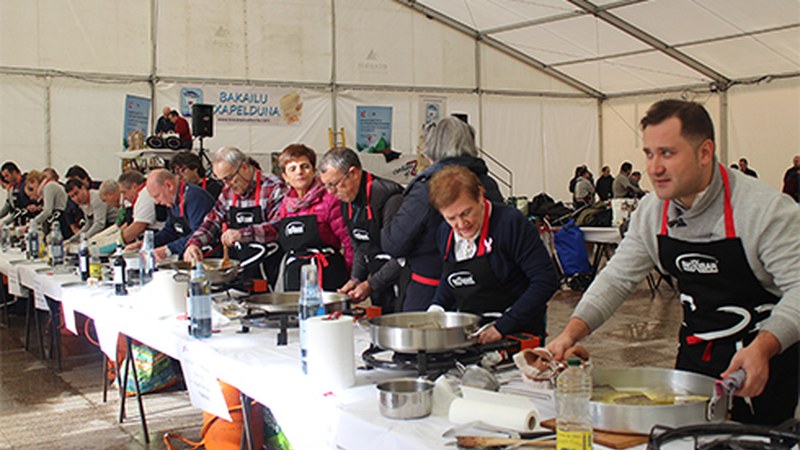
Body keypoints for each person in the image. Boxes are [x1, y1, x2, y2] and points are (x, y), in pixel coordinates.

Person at [547, 99, 800, 427]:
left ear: (705, 152)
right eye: (649, 153)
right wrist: (571, 333)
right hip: (695, 366)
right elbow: (616, 279)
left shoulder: (764, 212)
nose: (654, 168)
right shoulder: (653, 212)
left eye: (667, 153)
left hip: (766, 366)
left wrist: (765, 346)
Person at [382, 117, 503, 311]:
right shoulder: (488, 184)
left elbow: (394, 243)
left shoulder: (426, 188)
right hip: (482, 293)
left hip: (429, 293)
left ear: (433, 147)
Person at [426, 166, 557, 343]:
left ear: (480, 195)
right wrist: (437, 308)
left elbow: (546, 280)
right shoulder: (445, 233)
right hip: (473, 332)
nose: (461, 224)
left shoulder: (510, 224)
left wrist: (503, 326)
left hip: (518, 331)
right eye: (451, 218)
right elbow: (453, 276)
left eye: (466, 212)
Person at [318, 147, 404, 312]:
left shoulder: (390, 198)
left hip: (400, 282)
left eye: (334, 185)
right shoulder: (347, 200)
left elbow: (401, 256)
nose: (330, 192)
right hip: (379, 283)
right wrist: (356, 279)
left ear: (353, 173)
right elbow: (359, 246)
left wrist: (371, 284)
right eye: (326, 186)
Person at [184, 147, 286, 283]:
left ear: (244, 167)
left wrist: (241, 234)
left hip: (268, 269)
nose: (226, 185)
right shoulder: (227, 193)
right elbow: (212, 221)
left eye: (229, 178)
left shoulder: (274, 187)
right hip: (237, 268)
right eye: (222, 181)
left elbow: (277, 227)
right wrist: (194, 244)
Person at [274, 144, 353, 292]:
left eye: (305, 166)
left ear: (314, 171)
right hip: (295, 276)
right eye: (293, 169)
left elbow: (349, 241)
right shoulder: (285, 205)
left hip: (329, 275)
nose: (300, 172)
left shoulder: (329, 200)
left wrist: (350, 276)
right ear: (285, 177)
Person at [125, 169, 214, 261]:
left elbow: (199, 234)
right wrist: (146, 243)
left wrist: (168, 250)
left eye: (157, 196)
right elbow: (170, 231)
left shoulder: (195, 198)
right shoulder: (173, 201)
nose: (157, 202)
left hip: (206, 256)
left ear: (169, 185)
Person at [117, 170, 165, 244]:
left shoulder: (145, 194)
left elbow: (138, 227)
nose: (125, 197)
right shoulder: (141, 194)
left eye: (124, 192)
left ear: (134, 186)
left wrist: (116, 242)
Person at [24, 170, 71, 238]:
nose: (32, 198)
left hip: (62, 220)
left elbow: (47, 211)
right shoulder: (48, 187)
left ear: (34, 182)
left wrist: (32, 223)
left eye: (31, 195)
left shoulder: (49, 186)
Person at [0, 161, 35, 226]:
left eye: (7, 176)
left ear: (14, 172)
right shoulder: (14, 188)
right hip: (20, 223)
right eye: (4, 177)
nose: (6, 179)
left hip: (30, 222)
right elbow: (11, 208)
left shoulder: (26, 183)